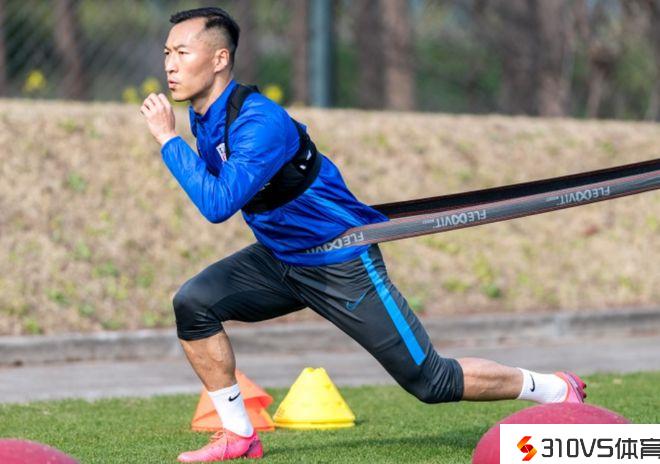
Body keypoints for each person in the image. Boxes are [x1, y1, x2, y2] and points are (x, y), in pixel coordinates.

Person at [140, 7, 586, 463]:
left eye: (182, 53)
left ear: (219, 59)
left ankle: (554, 388)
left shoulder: (259, 122)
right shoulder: (205, 117)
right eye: (167, 53)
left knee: (431, 381)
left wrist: (168, 140)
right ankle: (239, 435)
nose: (170, 65)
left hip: (340, 260)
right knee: (193, 303)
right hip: (279, 259)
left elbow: (218, 204)